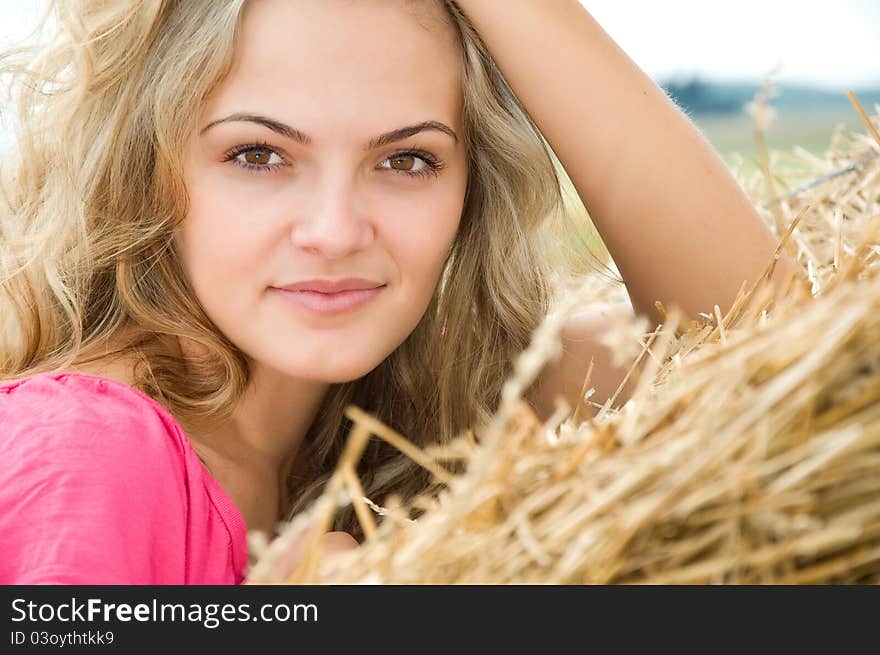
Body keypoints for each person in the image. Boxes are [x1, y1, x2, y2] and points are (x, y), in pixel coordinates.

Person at [0, 0, 796, 584]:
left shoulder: (427, 406)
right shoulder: (86, 452)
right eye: (258, 155)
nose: (336, 230)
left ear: (469, 193)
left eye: (406, 160)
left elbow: (769, 344)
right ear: (148, 171)